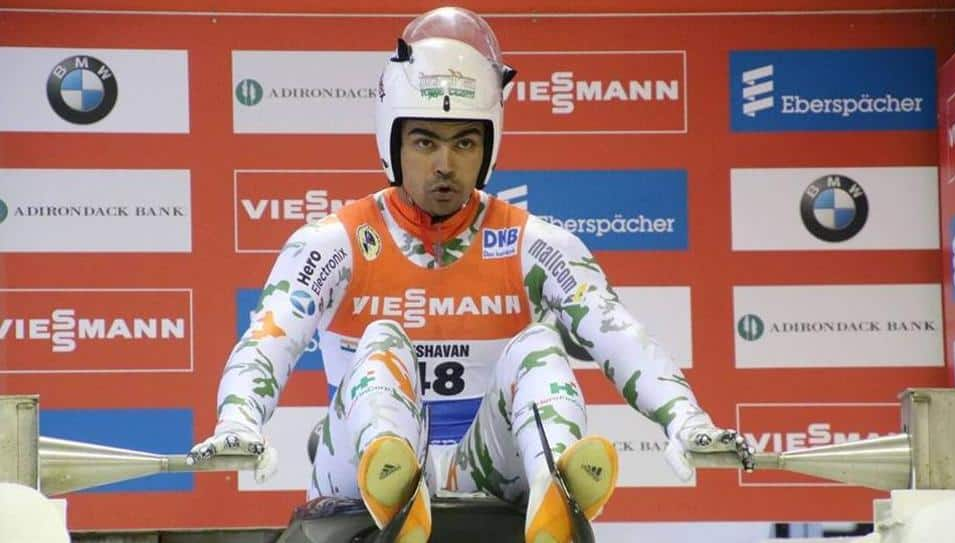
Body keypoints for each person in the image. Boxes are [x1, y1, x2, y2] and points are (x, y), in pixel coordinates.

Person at [189, 7, 754, 543]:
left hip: (479, 470)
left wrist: (688, 420)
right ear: (392, 142)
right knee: (382, 342)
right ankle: (398, 489)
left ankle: (554, 491)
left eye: (465, 142)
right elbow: (268, 341)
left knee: (539, 346)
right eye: (424, 141)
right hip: (353, 482)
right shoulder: (333, 243)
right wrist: (237, 419)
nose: (444, 163)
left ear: (488, 147)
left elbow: (617, 333)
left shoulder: (536, 243)